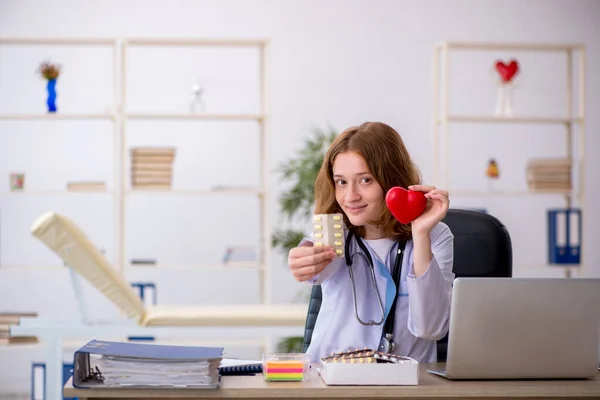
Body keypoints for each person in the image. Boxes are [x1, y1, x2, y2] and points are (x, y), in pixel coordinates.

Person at [288, 121, 454, 363]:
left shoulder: (436, 236)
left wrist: (420, 233)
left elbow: (431, 328)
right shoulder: (336, 234)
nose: (350, 196)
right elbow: (314, 258)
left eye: (365, 180)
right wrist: (302, 260)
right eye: (341, 182)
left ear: (391, 178)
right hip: (332, 382)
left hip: (406, 386)